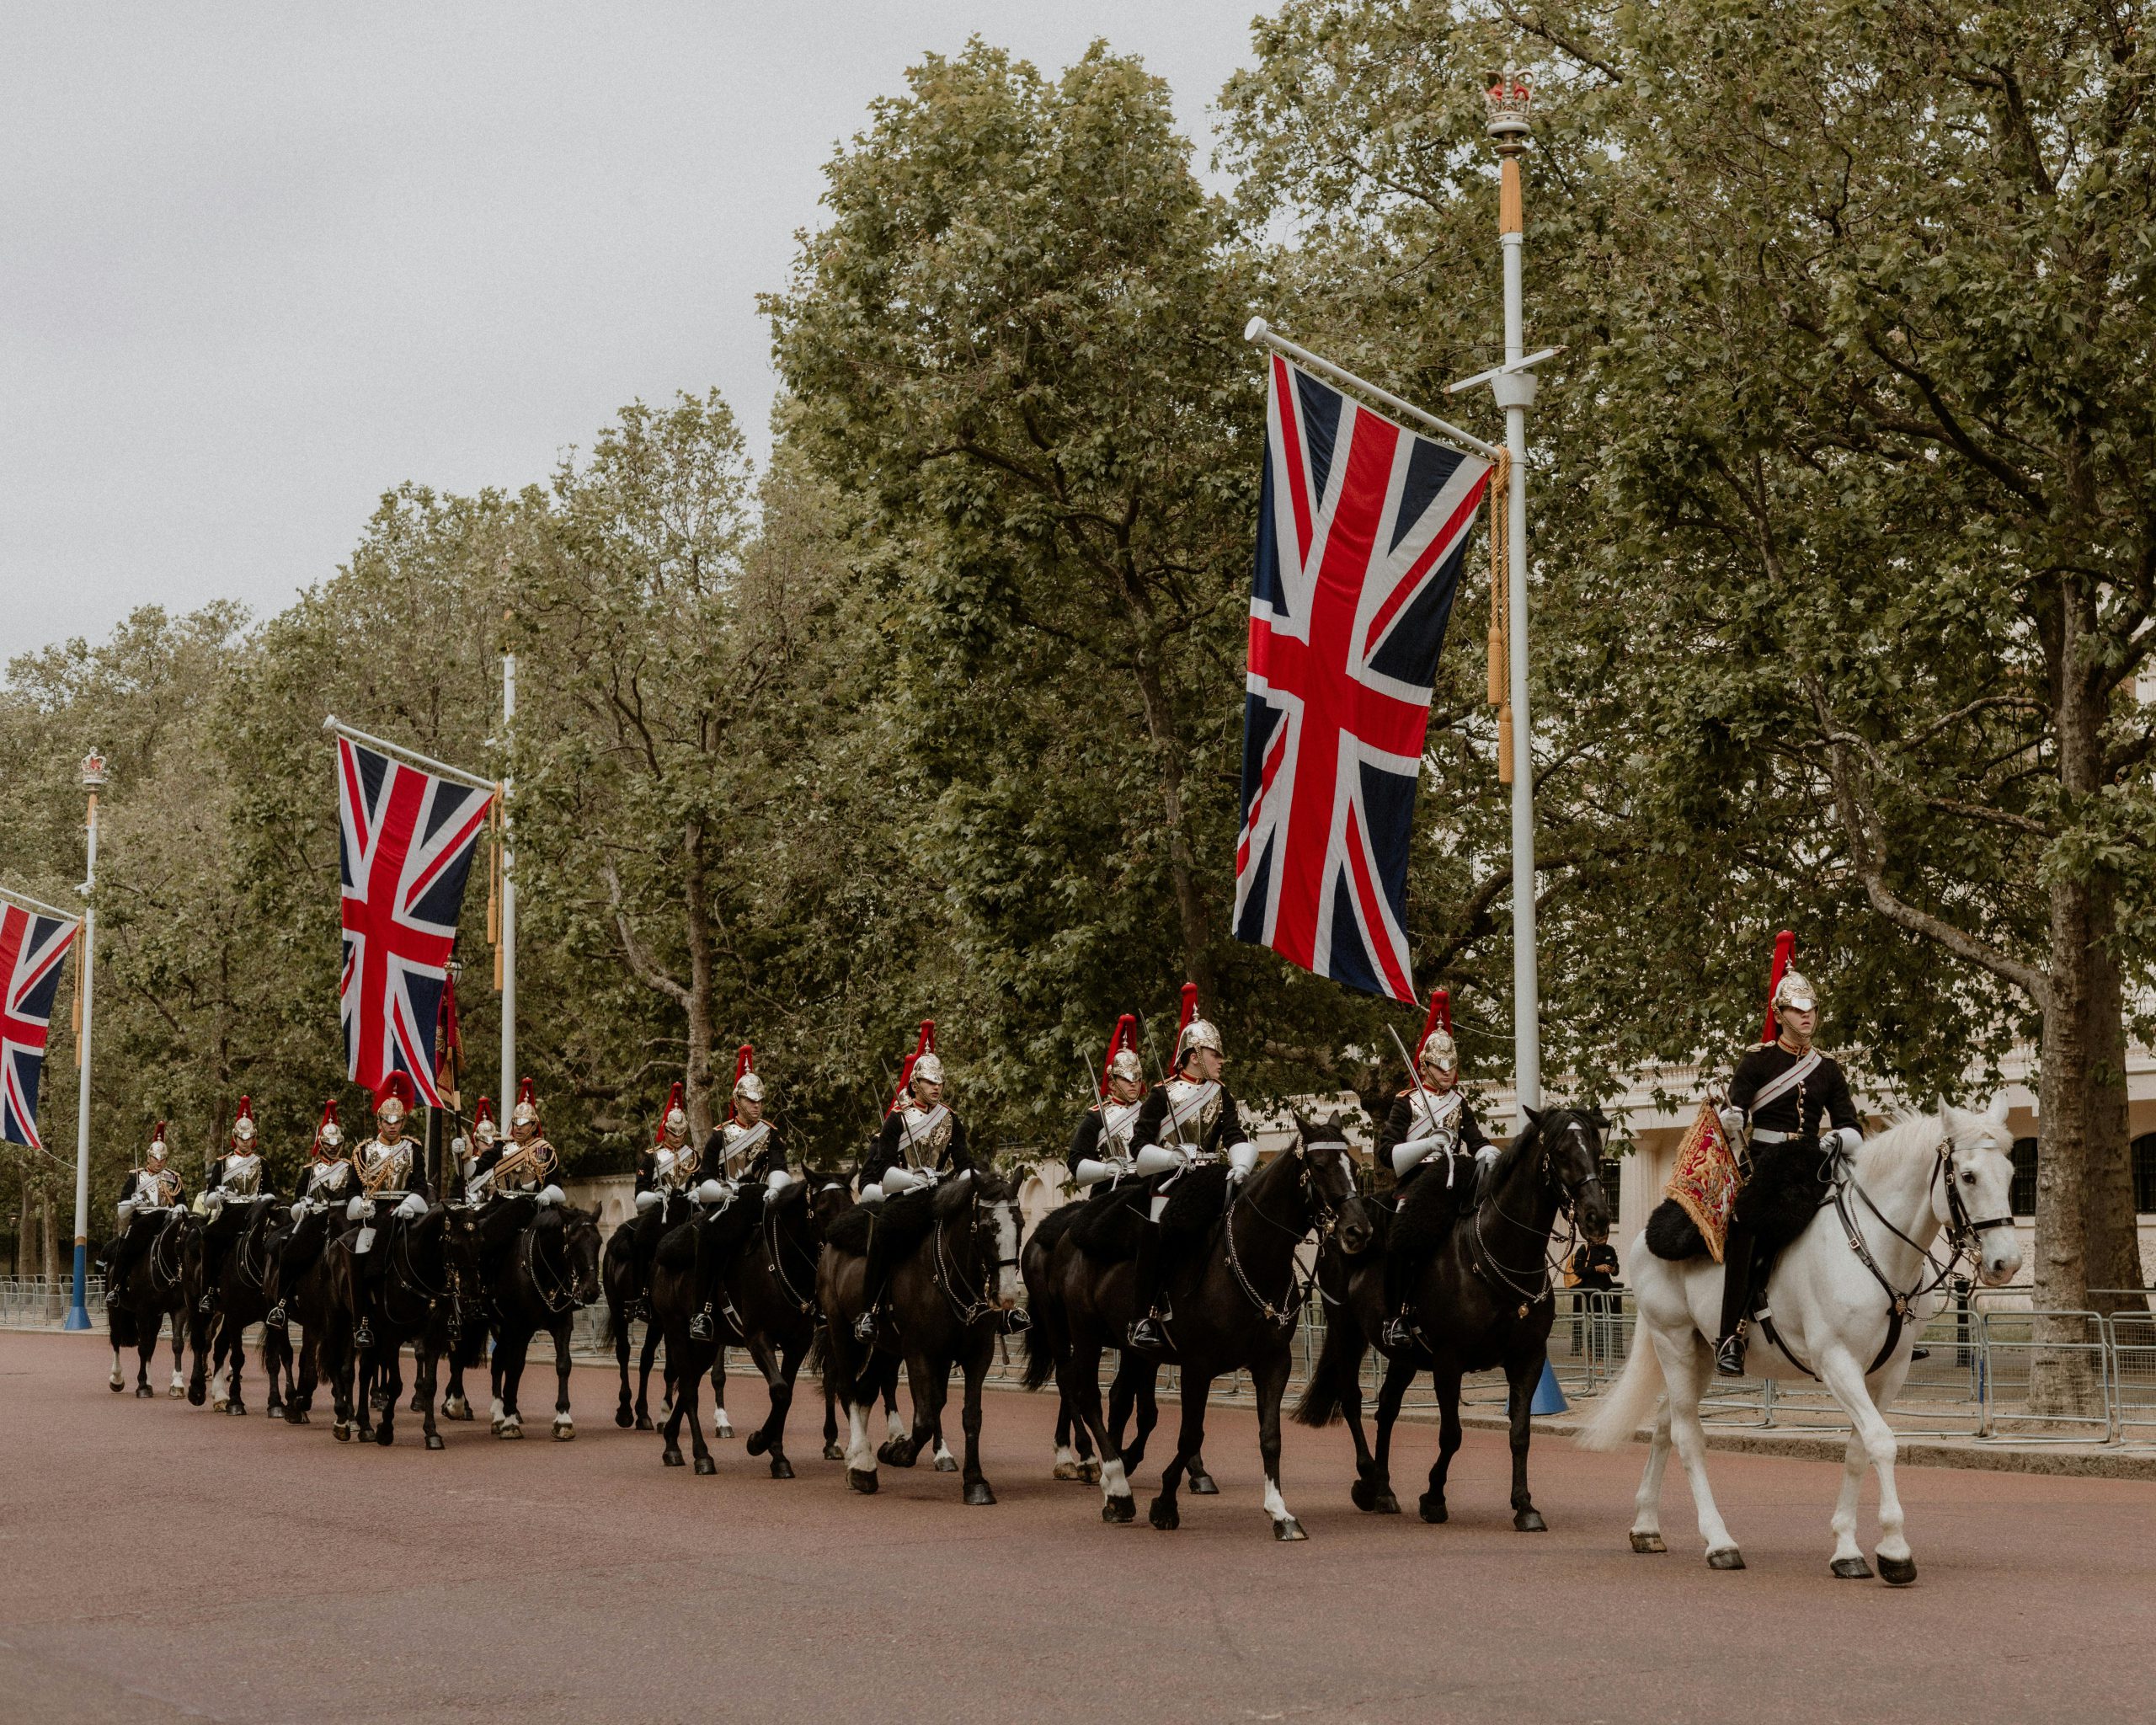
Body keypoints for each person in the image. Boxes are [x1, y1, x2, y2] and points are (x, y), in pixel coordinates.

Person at [1711, 946, 1863, 1377]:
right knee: (1746, 1227)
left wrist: (1839, 1138)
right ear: (1780, 1014)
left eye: (1811, 1008)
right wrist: (1732, 1118)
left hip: (1814, 1161)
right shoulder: (1758, 1060)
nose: (1807, 1016)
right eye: (1797, 1010)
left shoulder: (1827, 1069)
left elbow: (1850, 1124)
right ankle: (1730, 1335)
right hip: (1767, 1163)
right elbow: (1734, 1112)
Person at [1123, 985, 1258, 1352]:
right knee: (1155, 1237)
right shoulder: (1161, 1094)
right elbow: (1138, 1146)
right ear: (1195, 1055)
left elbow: (1235, 1135)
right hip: (1170, 1183)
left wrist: (1241, 1165)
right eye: (1216, 1054)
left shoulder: (1221, 1094)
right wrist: (1171, 1157)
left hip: (1212, 1180)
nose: (1221, 1061)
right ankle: (1144, 1316)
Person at [1375, 991, 1494, 1349]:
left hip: (1456, 1179)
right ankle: (1394, 1316)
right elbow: (1386, 1153)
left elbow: (1476, 1139)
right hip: (1416, 1182)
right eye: (1440, 1066)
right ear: (1424, 1066)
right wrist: (1427, 1144)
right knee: (1400, 1240)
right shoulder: (1406, 1103)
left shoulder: (1459, 1102)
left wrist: (1491, 1153)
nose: (1448, 1073)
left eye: (1452, 1066)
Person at [851, 1021, 975, 1343]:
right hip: (907, 1195)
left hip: (943, 1193)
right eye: (930, 1082)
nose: (937, 1087)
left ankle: (993, 1306)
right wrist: (913, 1178)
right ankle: (869, 1310)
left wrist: (971, 1185)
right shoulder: (897, 1119)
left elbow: (964, 1163)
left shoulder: (951, 1119)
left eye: (940, 1082)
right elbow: (884, 1171)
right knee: (884, 1232)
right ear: (915, 1083)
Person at [685, 1044, 792, 1341]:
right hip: (728, 1204)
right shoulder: (719, 1136)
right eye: (750, 1100)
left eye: (760, 1100)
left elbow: (779, 1167)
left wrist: (775, 1189)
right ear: (738, 1100)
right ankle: (701, 1312)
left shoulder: (771, 1133)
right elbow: (705, 1178)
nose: (757, 1106)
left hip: (764, 1199)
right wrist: (723, 1191)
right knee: (708, 1238)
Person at [350, 1073, 433, 1349]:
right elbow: (351, 1190)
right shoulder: (364, 1151)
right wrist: (361, 1206)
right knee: (359, 1254)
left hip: (406, 1210)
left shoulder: (413, 1149)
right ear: (379, 1121)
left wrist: (410, 1204)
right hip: (374, 1214)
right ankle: (362, 1320)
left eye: (397, 1121)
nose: (393, 1126)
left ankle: (435, 1311)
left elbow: (420, 1185)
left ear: (403, 1122)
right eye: (388, 1121)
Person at [267, 1098, 349, 1329]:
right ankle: (282, 1302)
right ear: (321, 1144)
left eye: (336, 1144)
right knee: (290, 1252)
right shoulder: (309, 1170)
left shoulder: (350, 1168)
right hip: (316, 1220)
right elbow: (298, 1198)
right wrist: (303, 1204)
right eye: (328, 1144)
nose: (332, 1148)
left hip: (343, 1219)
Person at [629, 1081, 698, 1321]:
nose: (677, 1138)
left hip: (688, 1211)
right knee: (641, 1241)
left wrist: (698, 1192)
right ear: (665, 1130)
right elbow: (640, 1196)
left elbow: (702, 1181)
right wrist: (656, 1196)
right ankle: (642, 1296)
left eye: (682, 1133)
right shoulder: (651, 1158)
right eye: (673, 1133)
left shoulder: (694, 1157)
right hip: (661, 1213)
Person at [199, 1096, 271, 1309]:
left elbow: (270, 1193)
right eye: (242, 1138)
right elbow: (209, 1198)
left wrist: (264, 1200)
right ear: (235, 1137)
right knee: (209, 1237)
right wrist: (218, 1195)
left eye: (249, 1138)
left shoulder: (262, 1164)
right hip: (231, 1212)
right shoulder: (223, 1163)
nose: (245, 1142)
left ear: (254, 1138)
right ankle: (208, 1290)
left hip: (256, 1212)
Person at [1067, 1014, 1147, 1199]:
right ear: (1112, 1085)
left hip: (1146, 1187)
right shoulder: (1096, 1117)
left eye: (1137, 1078)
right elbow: (1076, 1160)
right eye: (1126, 1079)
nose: (1133, 1084)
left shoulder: (1148, 1112)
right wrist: (1105, 1169)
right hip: (1109, 1190)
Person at [107, 1122, 187, 1295]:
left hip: (167, 1221)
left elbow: (182, 1202)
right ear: (149, 1157)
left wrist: (179, 1208)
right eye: (155, 1158)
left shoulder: (173, 1178)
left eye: (162, 1159)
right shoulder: (136, 1178)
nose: (159, 1162)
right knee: (127, 1249)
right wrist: (133, 1203)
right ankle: (117, 1287)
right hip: (143, 1221)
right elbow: (121, 1211)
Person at [469, 1078, 559, 1206]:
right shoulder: (501, 1149)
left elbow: (556, 1184)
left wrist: (548, 1194)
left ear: (534, 1125)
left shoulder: (544, 1149)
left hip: (535, 1204)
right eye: (516, 1123)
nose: (518, 1127)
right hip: (504, 1204)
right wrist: (460, 1155)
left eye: (523, 1123)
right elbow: (473, 1170)